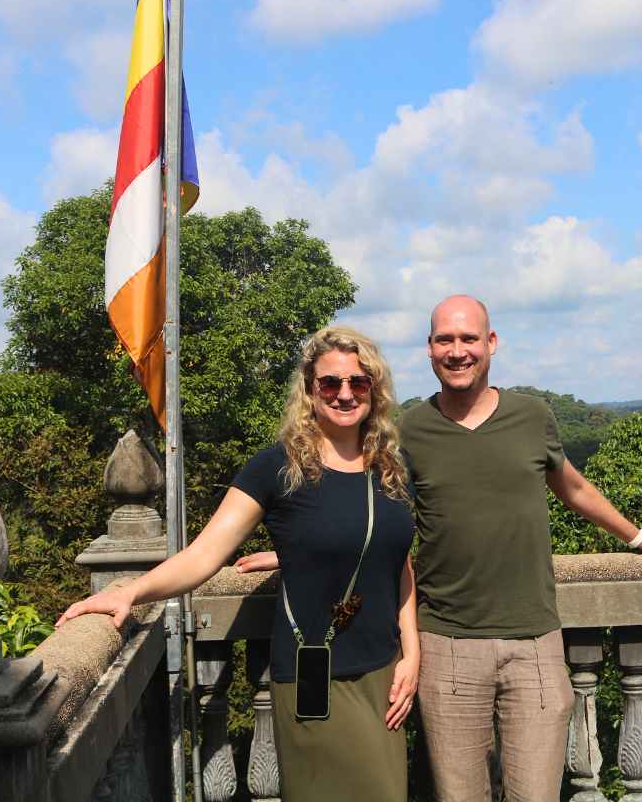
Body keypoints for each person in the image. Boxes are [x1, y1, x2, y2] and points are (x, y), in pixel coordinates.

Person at [57, 326, 419, 802]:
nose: (345, 394)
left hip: (383, 673)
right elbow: (206, 553)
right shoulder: (278, 468)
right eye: (331, 383)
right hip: (316, 678)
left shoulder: (391, 466)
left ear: (375, 389)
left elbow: (397, 564)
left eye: (359, 382)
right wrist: (128, 592)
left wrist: (411, 653)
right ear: (310, 391)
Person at [399, 295, 642, 802]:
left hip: (535, 645)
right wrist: (299, 554)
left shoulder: (531, 416)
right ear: (430, 349)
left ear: (491, 343)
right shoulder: (410, 428)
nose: (457, 351)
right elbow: (378, 521)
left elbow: (574, 487)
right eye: (445, 340)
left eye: (469, 339)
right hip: (446, 645)